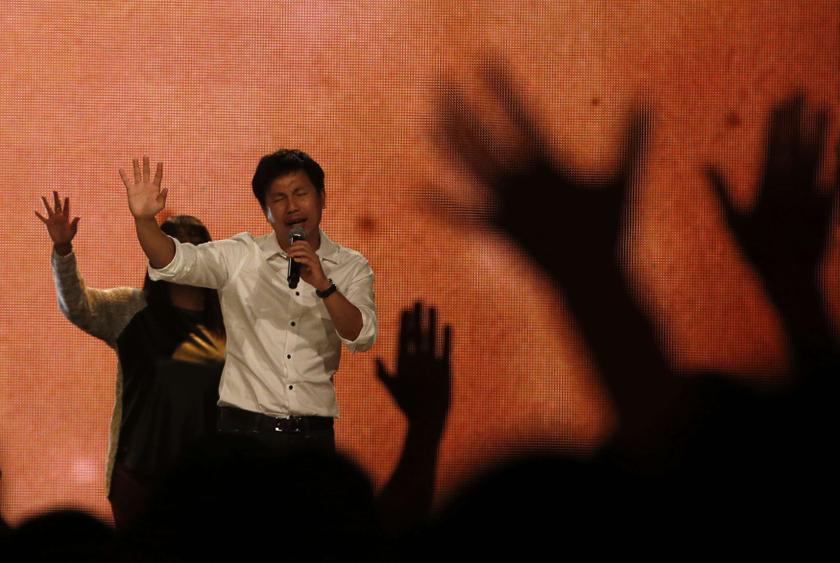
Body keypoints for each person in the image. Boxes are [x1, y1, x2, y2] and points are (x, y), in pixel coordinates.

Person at [120, 150, 377, 454]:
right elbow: (174, 261)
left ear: (322, 197)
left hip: (312, 439)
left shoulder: (350, 266)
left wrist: (324, 285)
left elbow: (361, 336)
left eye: (300, 193)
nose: (292, 207)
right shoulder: (241, 255)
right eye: (278, 198)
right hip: (244, 435)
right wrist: (145, 221)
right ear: (265, 210)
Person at [37, 193, 225, 529]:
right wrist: (63, 251)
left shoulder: (229, 320)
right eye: (173, 247)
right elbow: (78, 306)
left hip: (208, 482)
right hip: (138, 477)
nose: (183, 259)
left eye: (194, 249)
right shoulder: (131, 309)